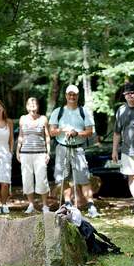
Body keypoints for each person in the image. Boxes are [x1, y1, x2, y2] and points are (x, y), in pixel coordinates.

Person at [49, 84, 99, 218]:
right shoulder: (58, 112)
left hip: (78, 149)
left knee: (84, 178)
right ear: (66, 95)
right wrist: (62, 130)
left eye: (74, 94)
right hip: (62, 148)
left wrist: (77, 133)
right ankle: (67, 203)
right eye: (69, 94)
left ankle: (91, 206)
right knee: (63, 178)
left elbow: (90, 131)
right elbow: (51, 132)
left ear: (78, 96)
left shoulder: (84, 111)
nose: (72, 97)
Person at [112, 82, 134, 214]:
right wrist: (114, 150)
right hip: (127, 150)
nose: (130, 95)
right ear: (124, 96)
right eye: (127, 93)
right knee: (133, 177)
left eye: (133, 92)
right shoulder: (121, 110)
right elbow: (117, 132)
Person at [16, 97, 50, 213]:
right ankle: (31, 205)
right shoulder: (23, 119)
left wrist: (48, 152)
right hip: (25, 153)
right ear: (27, 106)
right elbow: (21, 135)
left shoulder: (43, 119)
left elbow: (47, 137)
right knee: (27, 179)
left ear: (38, 106)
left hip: (40, 153)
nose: (32, 105)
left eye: (34, 103)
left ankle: (45, 205)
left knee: (42, 179)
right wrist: (18, 151)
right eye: (30, 103)